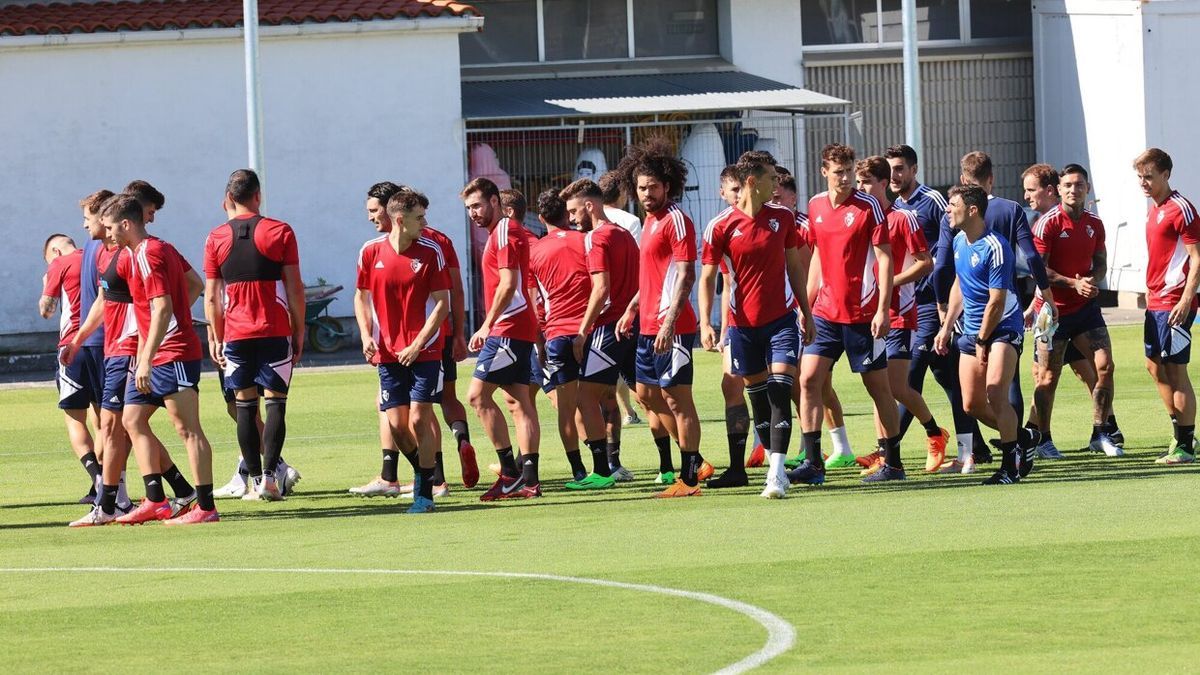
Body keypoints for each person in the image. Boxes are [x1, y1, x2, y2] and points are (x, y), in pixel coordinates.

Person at [350, 182, 477, 498]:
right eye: (420, 217)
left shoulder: (432, 250)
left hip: (427, 349)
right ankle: (427, 476)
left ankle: (426, 489)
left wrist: (418, 343)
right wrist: (366, 335)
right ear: (400, 220)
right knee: (397, 426)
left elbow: (444, 303)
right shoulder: (370, 251)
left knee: (421, 416)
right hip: (387, 353)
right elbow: (360, 296)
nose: (425, 223)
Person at [934, 151, 1057, 471]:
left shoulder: (995, 246)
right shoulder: (961, 241)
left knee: (997, 393)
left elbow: (996, 301)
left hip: (1001, 326)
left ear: (972, 209)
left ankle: (1008, 467)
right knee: (971, 403)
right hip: (972, 328)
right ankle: (1023, 440)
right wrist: (947, 326)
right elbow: (959, 285)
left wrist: (982, 340)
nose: (948, 212)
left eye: (953, 206)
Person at [700, 151, 812, 499]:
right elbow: (707, 278)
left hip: (782, 319)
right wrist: (707, 323)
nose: (777, 185)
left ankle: (777, 474)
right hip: (742, 326)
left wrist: (806, 312)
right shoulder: (719, 226)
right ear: (752, 181)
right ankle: (772, 467)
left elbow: (794, 266)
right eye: (771, 178)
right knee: (759, 400)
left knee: (780, 390)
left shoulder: (783, 218)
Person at [101, 194, 218, 524]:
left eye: (110, 227)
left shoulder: (149, 253)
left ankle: (206, 507)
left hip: (172, 353)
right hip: (153, 353)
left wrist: (147, 357)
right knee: (132, 420)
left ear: (126, 224)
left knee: (187, 429)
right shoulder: (141, 251)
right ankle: (156, 499)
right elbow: (190, 285)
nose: (106, 233)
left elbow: (162, 307)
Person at [799, 144, 904, 484]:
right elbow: (816, 257)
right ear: (824, 172)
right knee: (809, 380)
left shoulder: (869, 206)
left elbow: (885, 258)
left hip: (862, 314)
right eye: (838, 171)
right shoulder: (815, 205)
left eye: (849, 172)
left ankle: (893, 463)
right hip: (826, 314)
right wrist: (808, 305)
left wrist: (883, 309)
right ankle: (814, 463)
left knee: (878, 389)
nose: (845, 179)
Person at [203, 169, 305, 501]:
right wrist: (299, 329)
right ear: (258, 196)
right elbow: (294, 288)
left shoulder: (215, 237)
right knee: (276, 405)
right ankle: (271, 479)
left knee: (245, 407)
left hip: (236, 333)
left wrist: (215, 336)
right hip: (275, 329)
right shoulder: (280, 231)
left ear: (228, 199)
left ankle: (255, 482)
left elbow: (212, 296)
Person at [886, 144, 986, 472]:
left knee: (907, 377)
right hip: (903, 308)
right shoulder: (888, 208)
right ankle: (973, 449)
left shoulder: (932, 201)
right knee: (950, 379)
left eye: (900, 168)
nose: (894, 175)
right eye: (890, 169)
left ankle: (889, 454)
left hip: (930, 306)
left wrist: (947, 302)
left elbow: (951, 250)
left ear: (914, 170)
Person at [616, 142, 705, 497]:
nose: (647, 193)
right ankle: (694, 459)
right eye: (641, 187)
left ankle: (690, 478)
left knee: (677, 399)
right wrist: (632, 308)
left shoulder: (677, 221)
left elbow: (686, 275)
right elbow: (653, 275)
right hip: (647, 326)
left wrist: (670, 324)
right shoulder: (650, 222)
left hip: (674, 328)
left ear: (667, 185)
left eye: (653, 186)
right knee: (647, 396)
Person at [854, 156, 949, 471]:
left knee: (896, 387)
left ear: (883, 184)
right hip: (867, 314)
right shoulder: (858, 217)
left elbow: (926, 262)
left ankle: (935, 433)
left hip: (900, 312)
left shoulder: (903, 217)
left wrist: (889, 282)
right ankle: (885, 454)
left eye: (866, 182)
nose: (860, 188)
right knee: (876, 388)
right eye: (858, 182)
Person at [1027, 164, 1121, 457]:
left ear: (1087, 189)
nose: (1073, 190)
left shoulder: (1096, 223)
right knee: (1047, 378)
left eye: (1078, 185)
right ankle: (1043, 440)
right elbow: (1038, 270)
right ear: (1059, 189)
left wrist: (1094, 278)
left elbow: (1101, 260)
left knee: (1105, 367)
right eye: (1067, 185)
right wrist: (1072, 283)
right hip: (1052, 312)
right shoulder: (1048, 223)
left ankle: (1100, 433)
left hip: (1085, 310)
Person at [461, 177, 542, 500]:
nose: (473, 213)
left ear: (495, 201)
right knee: (518, 402)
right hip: (516, 327)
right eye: (468, 208)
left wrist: (486, 325)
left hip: (507, 327)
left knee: (478, 396)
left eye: (477, 205)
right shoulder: (502, 232)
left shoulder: (505, 231)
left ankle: (509, 472)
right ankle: (529, 480)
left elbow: (509, 284)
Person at [773, 166, 857, 469]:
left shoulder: (805, 225)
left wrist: (805, 308)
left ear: (793, 198)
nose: (773, 201)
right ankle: (815, 448)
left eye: (778, 196)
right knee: (803, 382)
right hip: (791, 312)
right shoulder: (772, 224)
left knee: (817, 382)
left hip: (814, 312)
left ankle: (837, 446)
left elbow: (813, 271)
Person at [560, 178, 641, 490]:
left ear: (590, 206)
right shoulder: (625, 235)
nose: (571, 218)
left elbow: (601, 289)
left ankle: (601, 472)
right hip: (632, 326)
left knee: (585, 397)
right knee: (648, 395)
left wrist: (582, 331)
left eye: (574, 210)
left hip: (608, 328)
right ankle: (685, 462)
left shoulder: (597, 237)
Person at [1134, 148, 1200, 465]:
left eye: (1149, 176)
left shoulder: (1181, 209)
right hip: (1155, 302)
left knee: (1176, 372)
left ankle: (1185, 445)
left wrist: (1187, 299)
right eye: (1140, 177)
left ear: (1165, 175)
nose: (1143, 183)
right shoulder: (1154, 210)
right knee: (1153, 366)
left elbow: (1197, 258)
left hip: (1175, 303)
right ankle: (1181, 432)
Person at [40, 234, 108, 507]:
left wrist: (47, 283)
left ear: (54, 250)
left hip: (73, 347)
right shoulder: (95, 256)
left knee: (74, 418)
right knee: (104, 420)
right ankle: (110, 483)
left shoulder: (60, 262)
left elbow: (46, 309)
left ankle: (100, 482)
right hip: (104, 344)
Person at [528, 189, 592, 481]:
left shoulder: (535, 251)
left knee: (566, 407)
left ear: (541, 218)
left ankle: (578, 470)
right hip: (590, 330)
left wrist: (539, 341)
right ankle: (608, 463)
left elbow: (535, 301)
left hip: (557, 334)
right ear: (568, 214)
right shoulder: (587, 241)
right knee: (599, 400)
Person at [598, 170, 644, 427]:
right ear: (623, 193)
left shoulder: (589, 220)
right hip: (626, 301)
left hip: (600, 302)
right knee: (630, 365)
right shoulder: (630, 221)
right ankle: (639, 410)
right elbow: (638, 261)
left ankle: (625, 412)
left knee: (610, 366)